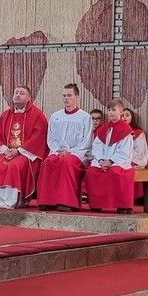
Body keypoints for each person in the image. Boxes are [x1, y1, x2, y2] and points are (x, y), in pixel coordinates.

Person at [0, 85, 49, 209]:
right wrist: (5, 149)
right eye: (16, 92)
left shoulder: (37, 115)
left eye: (22, 93)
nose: (18, 95)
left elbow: (38, 137)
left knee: (15, 166)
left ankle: (14, 200)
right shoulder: (6, 114)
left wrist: (18, 151)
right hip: (7, 151)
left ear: (28, 98)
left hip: (26, 153)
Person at [36, 84, 93, 212]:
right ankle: (47, 201)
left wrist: (70, 151)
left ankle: (67, 202)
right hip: (58, 150)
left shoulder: (85, 117)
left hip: (77, 153)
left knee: (66, 162)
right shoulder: (56, 116)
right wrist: (58, 150)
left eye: (69, 95)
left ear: (76, 97)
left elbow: (87, 141)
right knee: (48, 162)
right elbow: (51, 138)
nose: (66, 98)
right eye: (64, 96)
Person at [82, 99, 135, 214]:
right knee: (93, 172)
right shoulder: (104, 129)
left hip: (119, 162)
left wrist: (110, 161)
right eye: (109, 110)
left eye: (114, 110)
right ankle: (97, 204)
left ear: (121, 112)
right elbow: (97, 146)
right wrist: (101, 160)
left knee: (114, 173)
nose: (111, 112)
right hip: (103, 161)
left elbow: (125, 151)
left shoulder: (126, 131)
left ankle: (121, 205)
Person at [122, 108, 148, 201]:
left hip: (133, 159)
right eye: (122, 115)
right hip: (119, 159)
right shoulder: (116, 131)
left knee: (128, 170)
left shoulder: (138, 133)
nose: (124, 117)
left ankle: (131, 197)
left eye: (127, 115)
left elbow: (140, 150)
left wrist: (127, 154)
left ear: (132, 117)